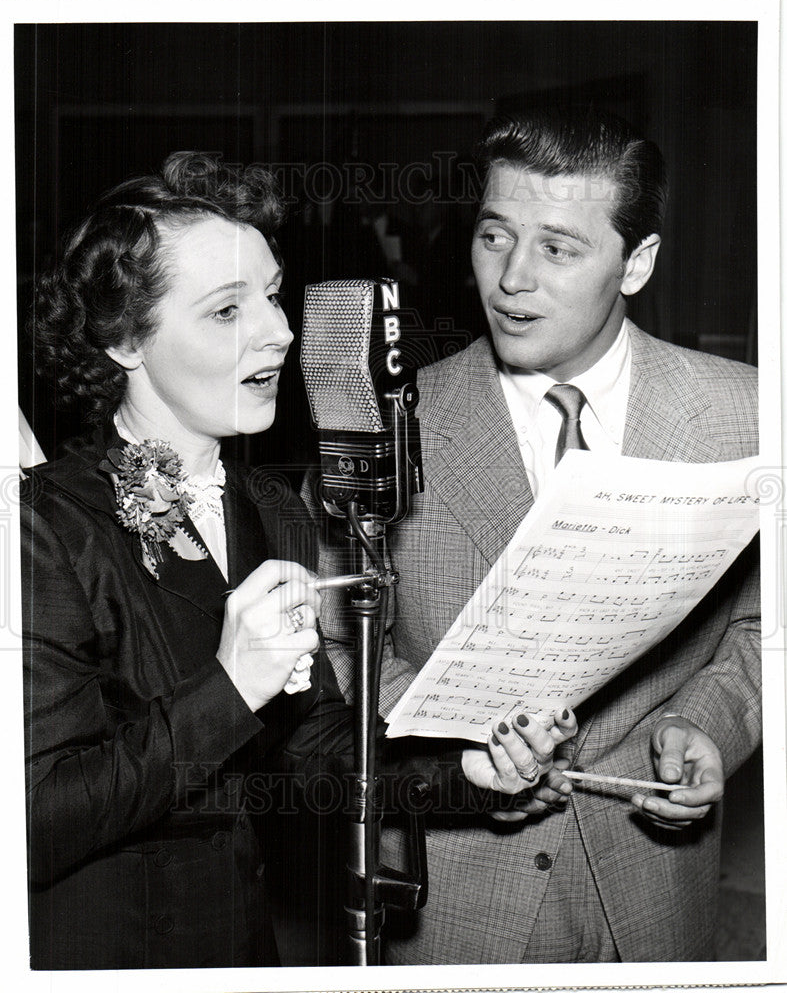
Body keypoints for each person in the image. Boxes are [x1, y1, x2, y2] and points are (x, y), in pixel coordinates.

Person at [21, 150, 561, 970]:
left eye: (272, 296)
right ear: (126, 339)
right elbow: (34, 823)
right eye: (226, 311)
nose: (278, 331)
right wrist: (230, 687)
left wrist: (465, 773)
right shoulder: (44, 527)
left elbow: (310, 751)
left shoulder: (272, 509)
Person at [313, 110, 760, 963]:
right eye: (493, 235)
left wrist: (711, 725)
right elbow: (338, 646)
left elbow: (761, 625)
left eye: (557, 247)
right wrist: (454, 749)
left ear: (637, 264)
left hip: (658, 895)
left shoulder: (745, 414)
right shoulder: (378, 426)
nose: (511, 278)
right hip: (457, 901)